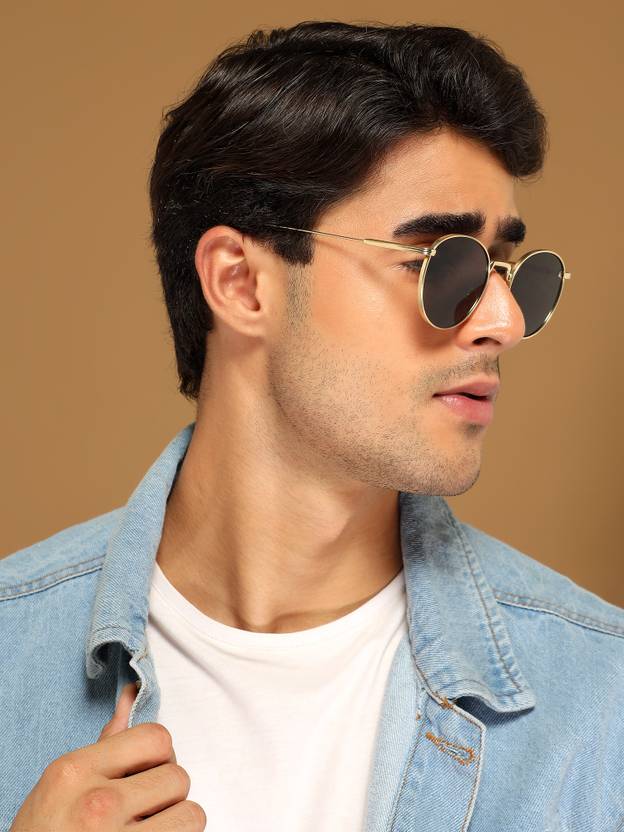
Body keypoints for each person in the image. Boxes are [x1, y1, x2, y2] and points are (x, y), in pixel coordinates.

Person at [2, 20, 622, 832]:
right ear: (240, 282)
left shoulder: (601, 700)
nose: (502, 322)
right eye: (439, 263)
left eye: (510, 272)